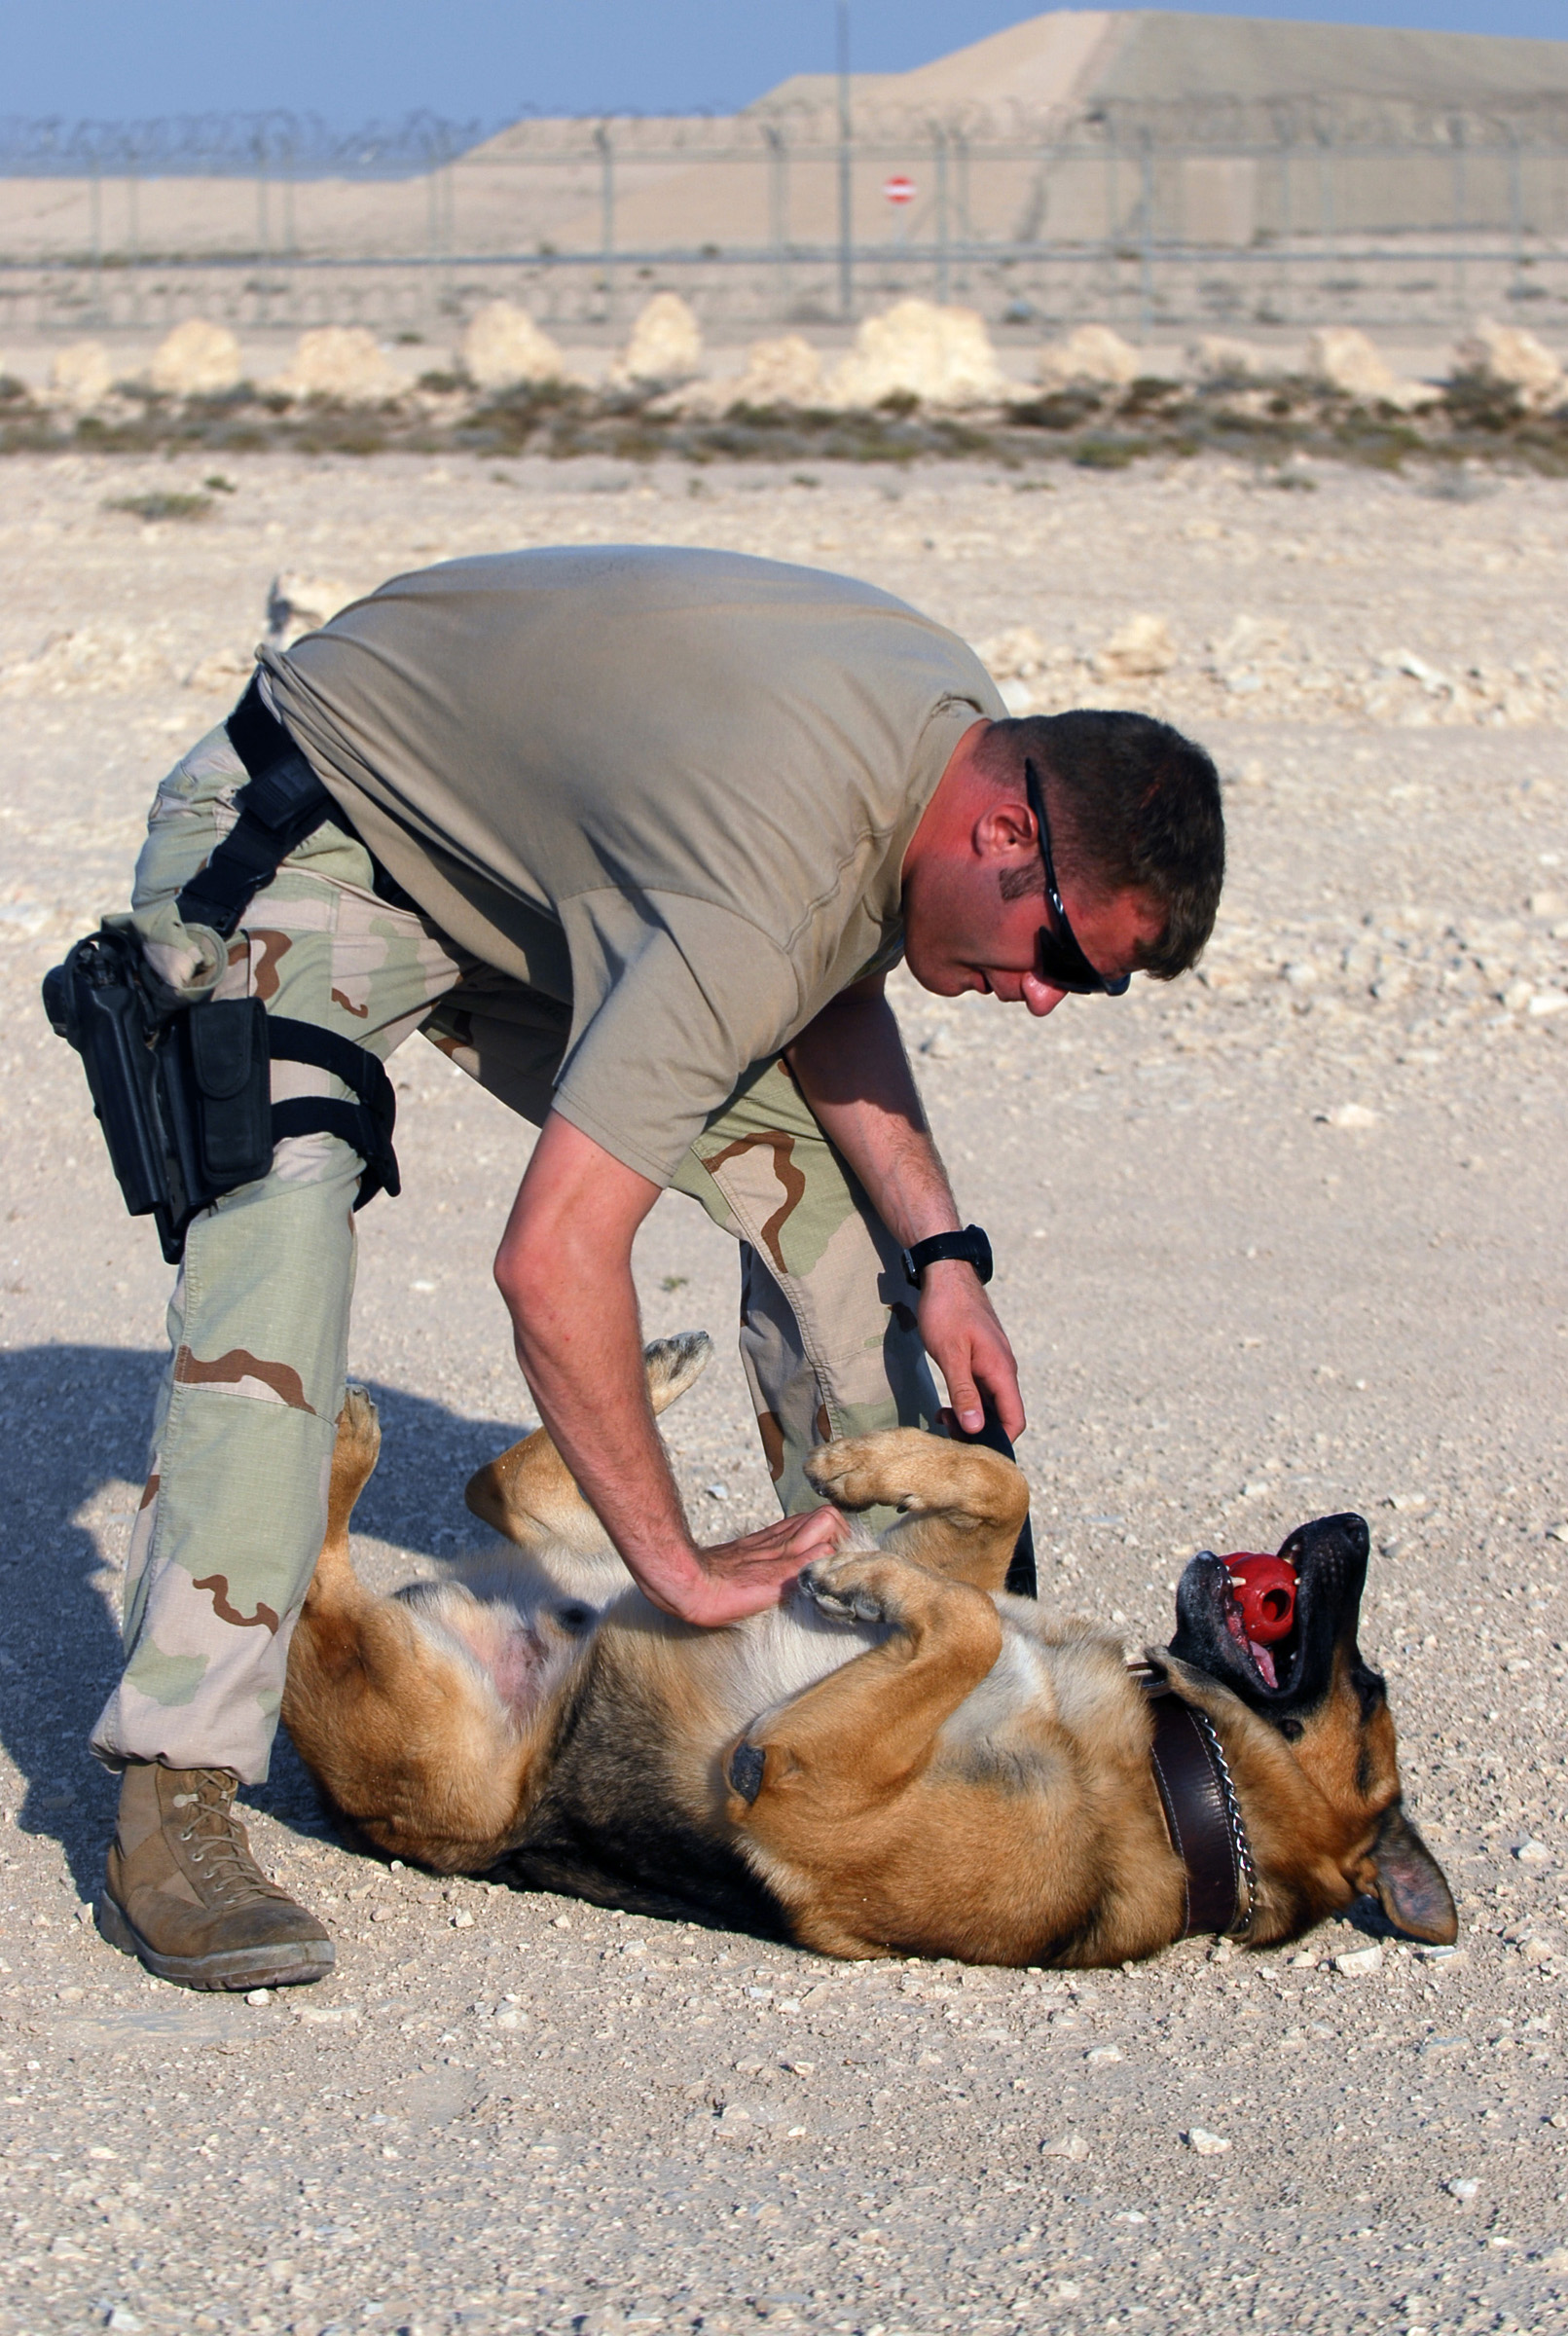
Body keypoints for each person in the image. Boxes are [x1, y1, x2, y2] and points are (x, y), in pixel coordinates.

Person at [85, 546, 1224, 1992]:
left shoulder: (950, 731)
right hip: (309, 828)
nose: (1054, 995)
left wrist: (944, 1255)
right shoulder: (769, 867)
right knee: (280, 1199)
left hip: (535, 880)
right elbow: (552, 1259)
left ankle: (892, 1642)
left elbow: (825, 987)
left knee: (838, 1223)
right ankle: (173, 1782)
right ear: (1004, 831)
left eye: (1098, 983)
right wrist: (671, 1567)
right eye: (1065, 947)